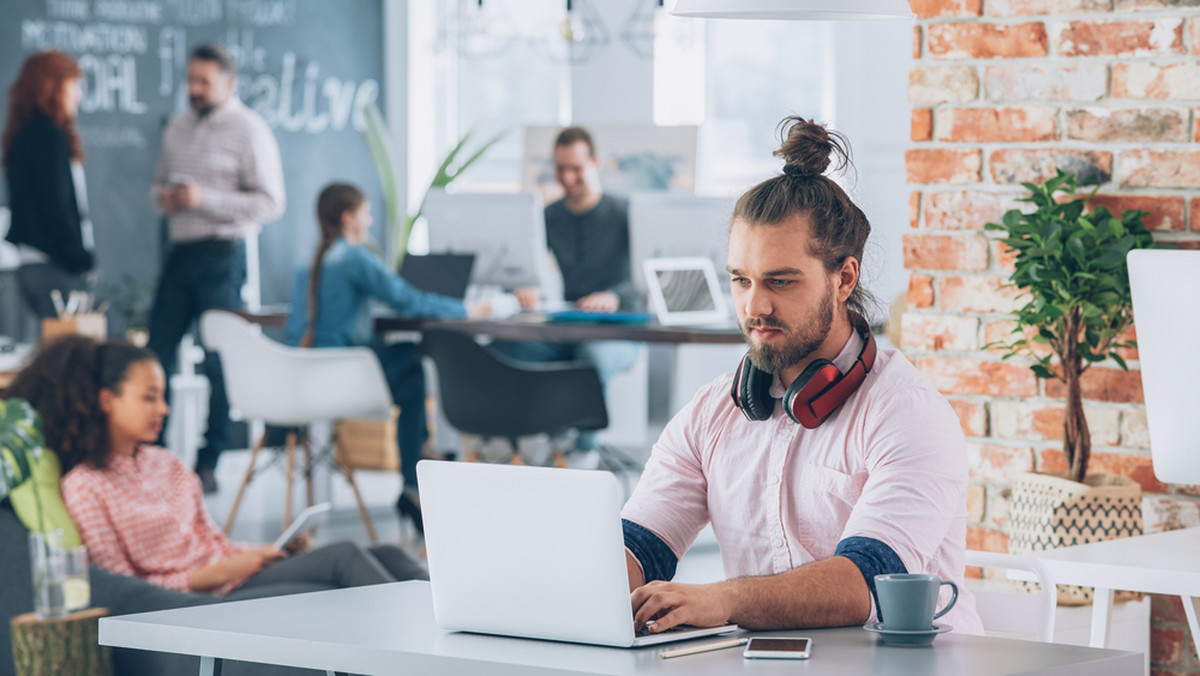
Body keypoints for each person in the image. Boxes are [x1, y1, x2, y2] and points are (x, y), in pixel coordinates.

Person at [620, 117, 982, 635]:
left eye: (780, 281)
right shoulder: (710, 413)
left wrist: (720, 600)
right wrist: (591, 581)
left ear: (844, 278)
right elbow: (642, 547)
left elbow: (864, 586)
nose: (755, 305)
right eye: (741, 281)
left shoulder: (907, 414)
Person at [5, 335, 426, 596]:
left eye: (163, 396)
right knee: (344, 557)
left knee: (387, 553)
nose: (164, 409)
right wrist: (222, 571)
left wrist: (266, 552)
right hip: (206, 598)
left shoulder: (166, 464)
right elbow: (122, 588)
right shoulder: (86, 486)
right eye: (149, 397)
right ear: (106, 401)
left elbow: (212, 541)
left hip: (237, 574)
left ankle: (469, 646)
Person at [284, 182, 494, 535]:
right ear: (349, 218)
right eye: (366, 213)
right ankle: (417, 474)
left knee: (402, 361)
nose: (369, 222)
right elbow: (407, 300)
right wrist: (466, 308)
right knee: (412, 366)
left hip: (302, 376)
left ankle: (420, 463)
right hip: (342, 377)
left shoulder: (308, 260)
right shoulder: (355, 257)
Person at [147, 43, 286, 494]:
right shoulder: (176, 127)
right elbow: (156, 188)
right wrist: (166, 200)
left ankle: (209, 461)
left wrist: (204, 199)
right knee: (155, 356)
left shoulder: (250, 131)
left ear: (228, 83)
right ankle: (155, 460)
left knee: (218, 362)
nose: (194, 89)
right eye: (190, 80)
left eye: (203, 82)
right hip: (179, 253)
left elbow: (270, 203)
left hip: (224, 257)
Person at [491, 126, 640, 455]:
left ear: (595, 163)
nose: (567, 177)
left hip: (620, 331)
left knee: (592, 357)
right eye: (561, 168)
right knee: (504, 350)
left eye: (576, 168)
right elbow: (518, 268)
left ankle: (583, 450)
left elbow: (644, 280)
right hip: (567, 328)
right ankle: (531, 433)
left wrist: (613, 296)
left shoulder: (625, 212)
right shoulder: (549, 216)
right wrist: (522, 288)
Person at [2, 51, 95, 321]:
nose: (77, 95)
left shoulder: (22, 138)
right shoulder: (49, 138)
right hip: (55, 267)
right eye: (73, 85)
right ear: (53, 87)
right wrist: (80, 259)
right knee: (68, 358)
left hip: (31, 265)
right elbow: (57, 207)